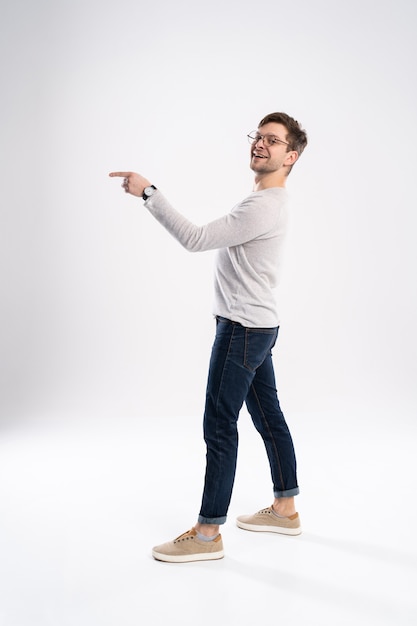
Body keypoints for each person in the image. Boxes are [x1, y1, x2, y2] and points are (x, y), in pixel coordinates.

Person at [109, 111, 308, 563]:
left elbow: (196, 239)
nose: (260, 144)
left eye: (273, 141)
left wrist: (149, 193)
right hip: (259, 325)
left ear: (290, 155)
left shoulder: (263, 205)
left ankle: (206, 534)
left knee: (220, 428)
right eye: (258, 137)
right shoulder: (267, 201)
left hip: (241, 329)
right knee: (268, 417)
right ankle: (285, 507)